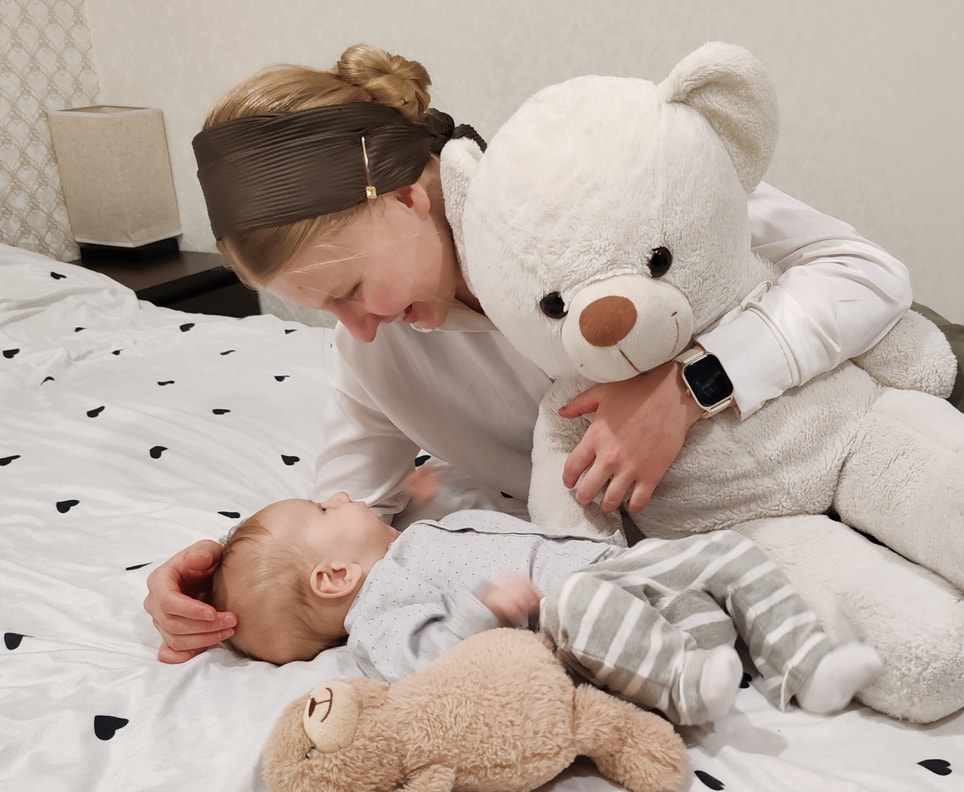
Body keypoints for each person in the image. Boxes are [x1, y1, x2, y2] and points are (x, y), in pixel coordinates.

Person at [147, 42, 917, 664]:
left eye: (350, 288)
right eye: (325, 312)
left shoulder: (582, 180)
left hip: (873, 382)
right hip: (738, 534)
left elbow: (867, 274)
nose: (359, 328)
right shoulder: (379, 358)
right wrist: (223, 582)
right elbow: (344, 523)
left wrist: (690, 388)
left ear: (406, 197)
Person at [209, 487, 882, 726]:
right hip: (587, 635)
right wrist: (484, 613)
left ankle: (809, 665)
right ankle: (686, 687)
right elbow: (424, 671)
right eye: (325, 509)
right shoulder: (377, 615)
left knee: (725, 550)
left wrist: (420, 490)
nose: (341, 495)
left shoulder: (410, 540)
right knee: (575, 600)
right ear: (333, 577)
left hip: (628, 583)